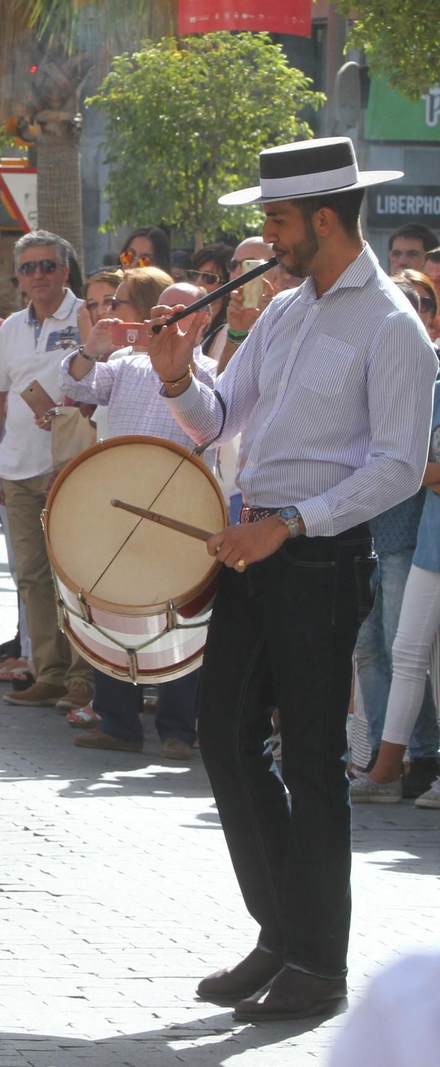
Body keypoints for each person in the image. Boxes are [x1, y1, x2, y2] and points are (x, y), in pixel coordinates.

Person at [149, 136, 435, 1021]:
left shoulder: (391, 326)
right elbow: (223, 412)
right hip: (254, 543)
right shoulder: (283, 308)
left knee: (311, 760)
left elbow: (396, 466)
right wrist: (175, 374)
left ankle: (321, 961)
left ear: (321, 219)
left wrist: (292, 524)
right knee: (224, 738)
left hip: (317, 556)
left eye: (275, 220)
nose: (266, 237)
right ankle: (281, 931)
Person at [59, 273, 213, 754]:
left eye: (177, 311)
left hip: (176, 506)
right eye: (159, 310)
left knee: (176, 616)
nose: (162, 319)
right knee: (112, 611)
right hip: (118, 502)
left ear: (201, 321)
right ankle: (119, 724)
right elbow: (74, 386)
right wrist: (91, 346)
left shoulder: (208, 373)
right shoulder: (125, 363)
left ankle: (177, 731)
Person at [0, 230, 94, 710]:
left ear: (66, 272)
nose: (38, 275)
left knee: (77, 577)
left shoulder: (89, 315)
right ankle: (49, 673)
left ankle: (85, 679)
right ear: (19, 278)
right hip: (17, 469)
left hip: (71, 466)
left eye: (48, 266)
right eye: (28, 268)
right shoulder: (10, 328)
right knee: (30, 575)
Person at [346, 273, 440, 805]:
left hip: (411, 532)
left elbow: (414, 463)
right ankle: (382, 759)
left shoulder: (432, 372)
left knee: (408, 649)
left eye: (421, 303)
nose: (411, 313)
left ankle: (419, 757)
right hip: (364, 526)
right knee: (372, 650)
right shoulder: (366, 366)